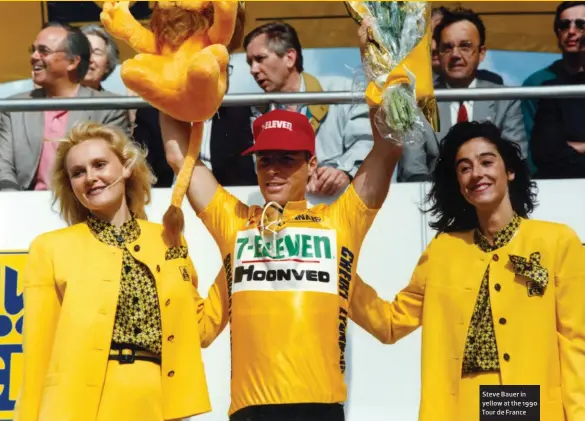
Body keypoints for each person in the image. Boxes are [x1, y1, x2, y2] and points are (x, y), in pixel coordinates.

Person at [161, 18, 404, 421]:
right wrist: (172, 66)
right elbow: (176, 155)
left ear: (311, 164)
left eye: (286, 159)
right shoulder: (235, 221)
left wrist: (375, 60)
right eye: (265, 159)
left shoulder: (339, 220)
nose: (272, 169)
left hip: (320, 408)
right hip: (250, 411)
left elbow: (389, 145)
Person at [350, 121, 585, 421]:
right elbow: (391, 323)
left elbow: (575, 341)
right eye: (464, 168)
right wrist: (340, 275)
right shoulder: (442, 250)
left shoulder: (557, 242)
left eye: (487, 161)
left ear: (509, 171)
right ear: (459, 185)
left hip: (529, 405)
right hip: (456, 408)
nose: (477, 173)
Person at [14, 122, 211, 421]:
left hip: (157, 402)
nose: (90, 177)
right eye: (78, 172)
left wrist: (235, 260)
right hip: (79, 407)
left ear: (127, 168)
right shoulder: (50, 248)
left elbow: (198, 328)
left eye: (100, 164)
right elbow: (38, 353)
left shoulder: (167, 239)